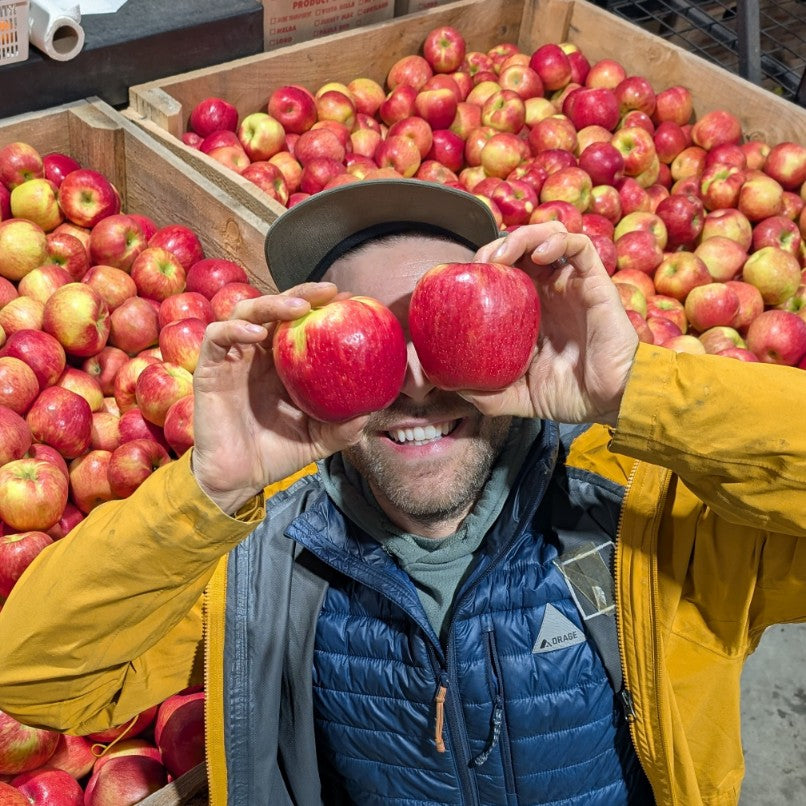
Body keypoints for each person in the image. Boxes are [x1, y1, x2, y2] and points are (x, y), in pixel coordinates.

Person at [0, 179, 804, 806]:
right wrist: (209, 489)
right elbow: (33, 676)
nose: (416, 384)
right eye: (376, 340)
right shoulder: (263, 562)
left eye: (442, 332)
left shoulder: (650, 516)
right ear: (301, 370)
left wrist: (633, 392)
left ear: (515, 336)